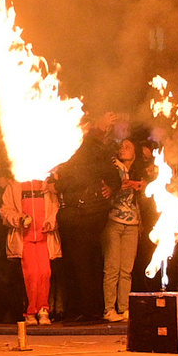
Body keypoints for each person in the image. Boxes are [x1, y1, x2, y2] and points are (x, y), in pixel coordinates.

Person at [51, 126, 120, 324]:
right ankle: (83, 309)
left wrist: (56, 185)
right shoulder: (87, 150)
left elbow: (75, 179)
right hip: (80, 211)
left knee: (81, 262)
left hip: (84, 212)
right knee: (82, 261)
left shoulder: (85, 152)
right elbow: (113, 178)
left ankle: (86, 311)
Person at [0, 161, 60, 325]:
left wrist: (51, 220)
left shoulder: (47, 185)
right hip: (25, 238)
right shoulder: (15, 186)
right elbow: (5, 211)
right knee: (31, 275)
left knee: (45, 273)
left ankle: (43, 310)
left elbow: (56, 207)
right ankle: (31, 312)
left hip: (44, 236)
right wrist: (19, 219)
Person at [102, 137, 146, 322]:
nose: (124, 148)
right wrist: (120, 186)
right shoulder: (113, 166)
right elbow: (108, 189)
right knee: (112, 268)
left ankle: (125, 308)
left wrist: (141, 185)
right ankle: (109, 309)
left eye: (128, 146)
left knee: (126, 270)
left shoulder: (138, 170)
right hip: (113, 222)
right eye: (121, 146)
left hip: (132, 224)